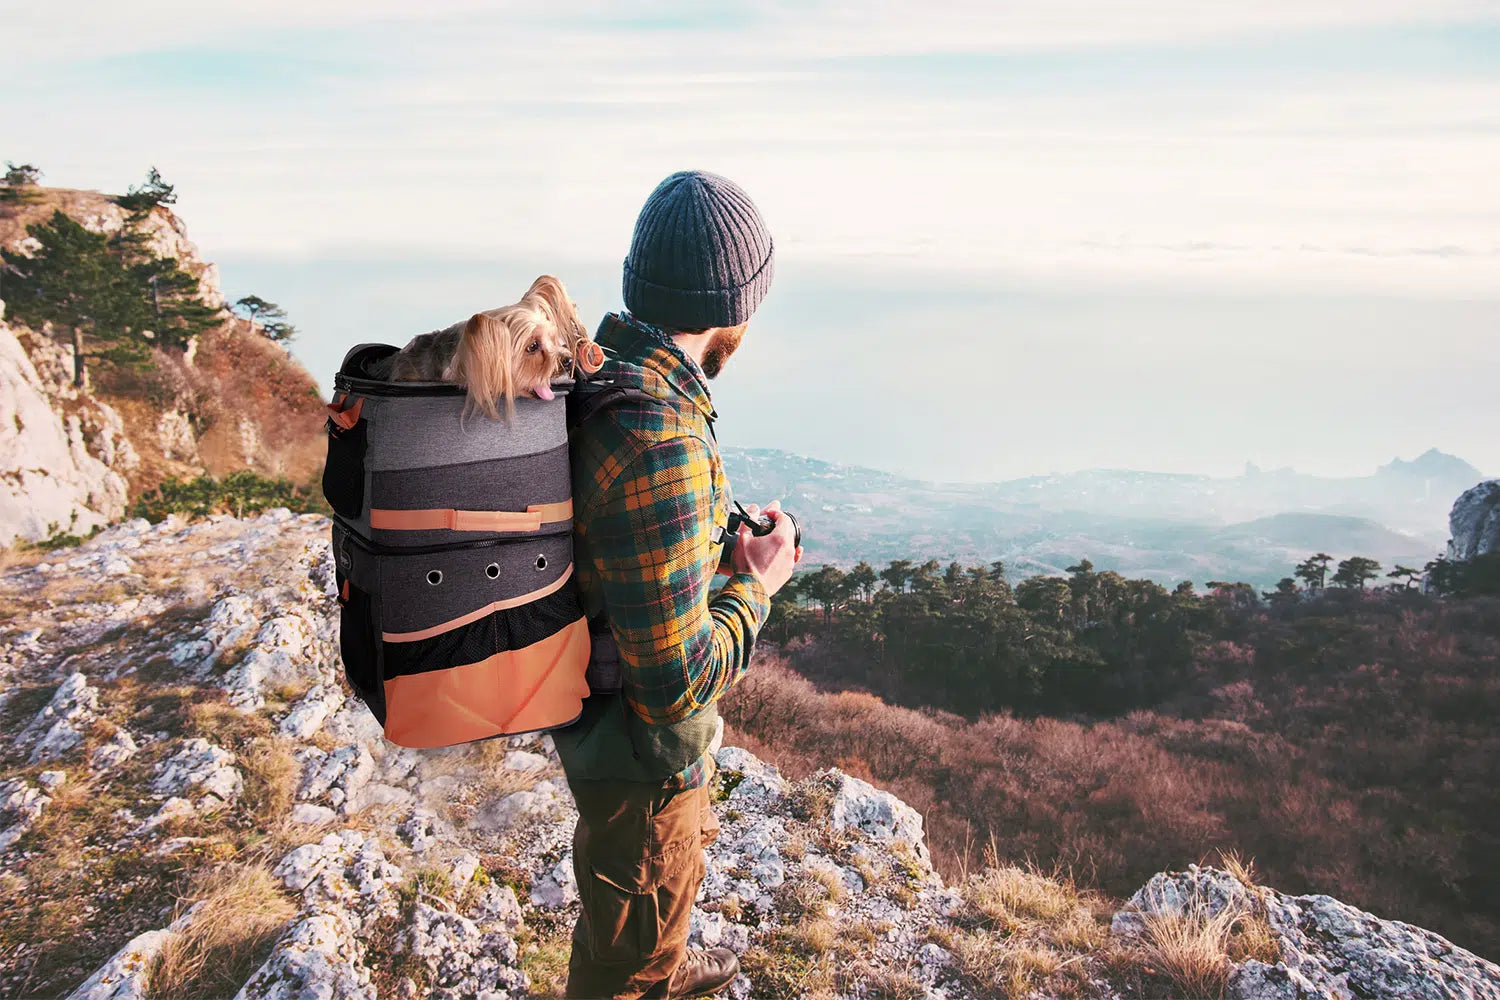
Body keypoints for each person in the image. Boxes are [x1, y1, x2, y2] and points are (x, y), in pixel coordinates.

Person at [551, 170, 800, 999]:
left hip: (596, 728)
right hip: (641, 760)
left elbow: (617, 548)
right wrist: (755, 587)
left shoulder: (607, 375)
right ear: (735, 309)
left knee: (636, 908)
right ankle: (648, 968)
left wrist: (714, 551)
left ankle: (657, 948)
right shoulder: (663, 435)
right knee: (626, 962)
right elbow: (677, 683)